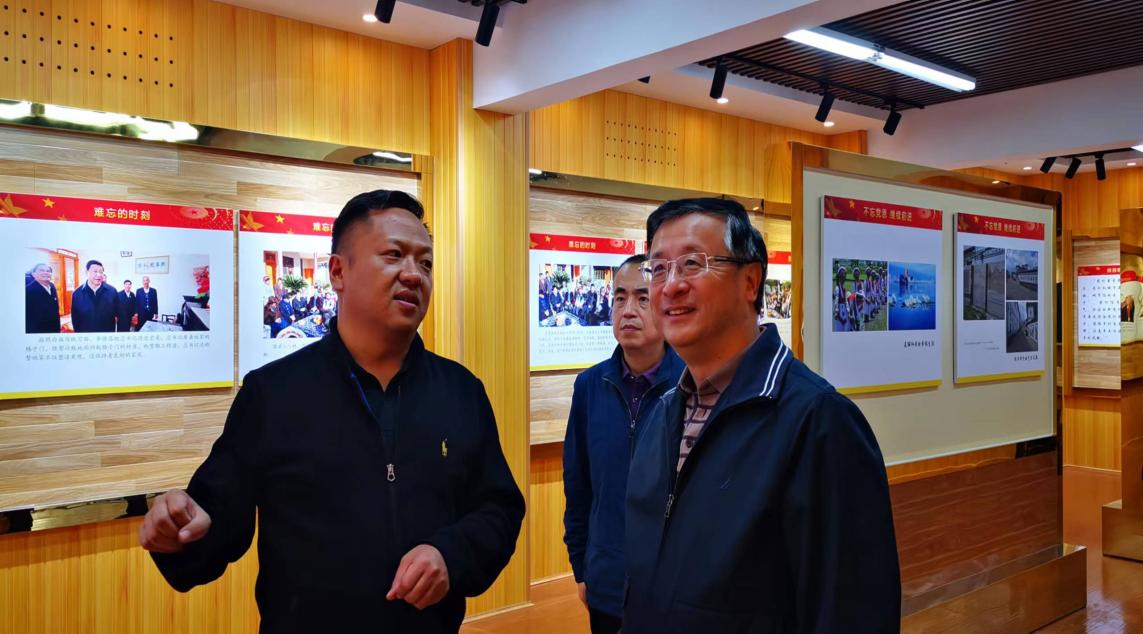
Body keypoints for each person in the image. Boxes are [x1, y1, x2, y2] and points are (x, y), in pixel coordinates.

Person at [139, 190, 525, 633]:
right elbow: (215, 517)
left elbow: (499, 510)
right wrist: (181, 531)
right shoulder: (274, 394)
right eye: (394, 255)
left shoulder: (460, 391)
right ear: (338, 272)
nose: (413, 274)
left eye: (426, 263)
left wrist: (450, 555)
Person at [624, 198, 900, 633]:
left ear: (750, 281)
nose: (671, 285)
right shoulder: (664, 413)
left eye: (692, 264)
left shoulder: (818, 422)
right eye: (658, 268)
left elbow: (852, 611)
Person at [563, 254, 684, 634]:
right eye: (619, 297)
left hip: (673, 591)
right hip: (606, 583)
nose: (628, 310)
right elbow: (578, 485)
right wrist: (582, 567)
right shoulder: (590, 386)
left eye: (642, 298)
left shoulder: (691, 386)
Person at [71, 260, 118, 333]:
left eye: (101, 272)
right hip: (86, 335)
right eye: (95, 271)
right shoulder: (77, 294)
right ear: (87, 272)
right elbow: (75, 318)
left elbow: (118, 314)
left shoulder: (112, 291)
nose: (98, 275)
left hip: (106, 336)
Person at [25, 262, 61, 334]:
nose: (46, 273)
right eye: (42, 270)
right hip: (38, 331)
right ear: (33, 274)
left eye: (48, 271)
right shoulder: (28, 290)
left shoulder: (52, 286)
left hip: (54, 328)